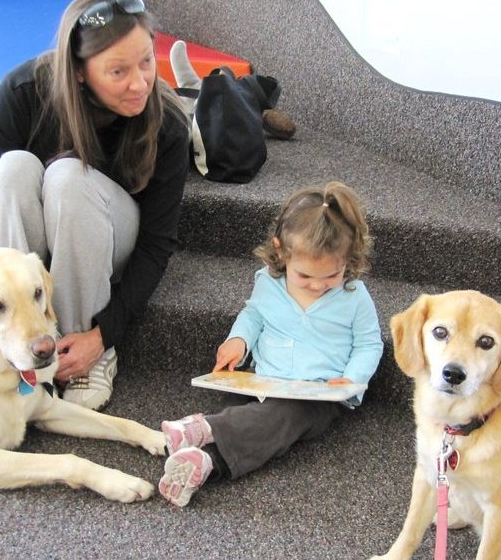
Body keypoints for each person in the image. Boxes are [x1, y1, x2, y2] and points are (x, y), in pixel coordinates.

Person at [0, 0, 189, 411]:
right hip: (33, 250)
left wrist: (102, 336)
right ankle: (21, 339)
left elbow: (157, 244)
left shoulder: (167, 122)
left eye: (147, 61)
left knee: (67, 176)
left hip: (106, 243)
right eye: (118, 71)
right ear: (80, 72)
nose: (140, 83)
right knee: (10, 170)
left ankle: (81, 352)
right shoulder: (23, 91)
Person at [158, 182, 384, 507]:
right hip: (264, 380)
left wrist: (351, 379)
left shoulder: (354, 296)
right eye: (305, 276)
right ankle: (201, 450)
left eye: (332, 275)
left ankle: (207, 455)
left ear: (348, 260)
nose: (319, 285)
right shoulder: (269, 281)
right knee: (256, 412)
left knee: (284, 419)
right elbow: (254, 316)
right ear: (280, 251)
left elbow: (369, 344)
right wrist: (239, 340)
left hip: (316, 395)